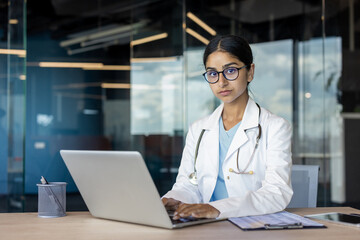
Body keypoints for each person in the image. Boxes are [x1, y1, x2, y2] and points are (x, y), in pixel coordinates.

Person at [162, 35, 293, 220]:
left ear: (250, 72)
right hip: (203, 225)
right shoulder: (198, 129)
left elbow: (276, 193)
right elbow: (188, 184)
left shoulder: (275, 127)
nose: (221, 82)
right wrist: (171, 200)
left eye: (230, 70)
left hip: (251, 225)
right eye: (213, 73)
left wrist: (216, 209)